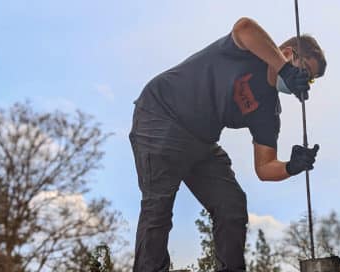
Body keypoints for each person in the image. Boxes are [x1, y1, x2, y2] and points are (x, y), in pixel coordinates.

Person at [129, 17, 326, 272]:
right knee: (159, 204)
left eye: (309, 81)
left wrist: (292, 166)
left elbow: (264, 167)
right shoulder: (252, 49)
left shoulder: (268, 111)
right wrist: (285, 69)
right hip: (161, 114)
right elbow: (244, 27)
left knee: (231, 204)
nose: (303, 83)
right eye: (305, 73)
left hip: (201, 141)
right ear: (287, 53)